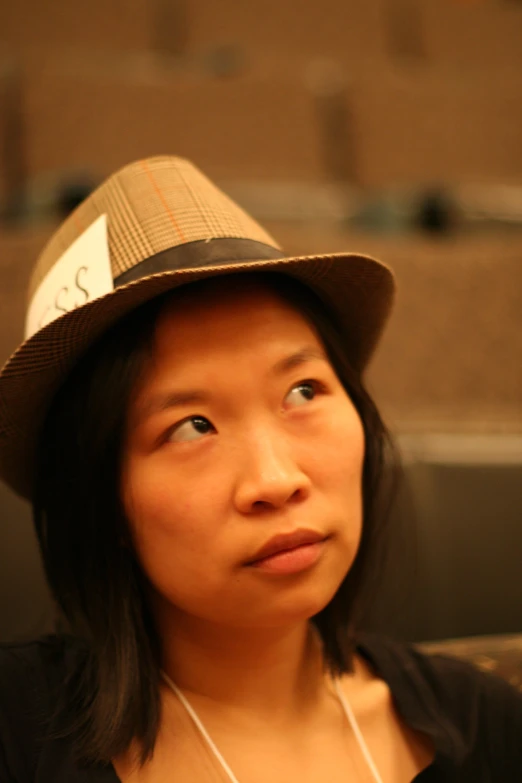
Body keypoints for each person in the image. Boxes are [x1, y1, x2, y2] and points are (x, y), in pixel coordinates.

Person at [0, 156, 520, 783]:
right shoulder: (19, 737)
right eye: (193, 426)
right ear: (99, 496)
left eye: (303, 391)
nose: (276, 481)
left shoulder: (490, 727)